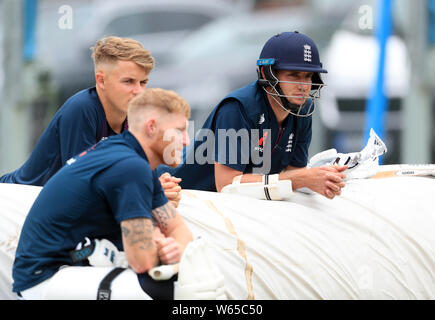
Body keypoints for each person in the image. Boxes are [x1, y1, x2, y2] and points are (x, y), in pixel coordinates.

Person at [12, 88, 197, 300]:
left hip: (72, 266)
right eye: (179, 131)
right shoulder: (129, 166)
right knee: (171, 289)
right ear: (152, 127)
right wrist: (161, 249)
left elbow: (178, 230)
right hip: (45, 279)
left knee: (189, 273)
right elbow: (143, 261)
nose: (186, 141)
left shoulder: (132, 159)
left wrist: (173, 249)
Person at [158, 31, 347, 200]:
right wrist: (303, 178)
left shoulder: (303, 109)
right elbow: (227, 185)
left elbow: (293, 175)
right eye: (293, 75)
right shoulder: (237, 108)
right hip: (178, 194)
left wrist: (325, 179)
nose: (303, 86)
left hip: (237, 207)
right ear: (267, 74)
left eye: (308, 76)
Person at [0, 36, 182, 206]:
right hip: (16, 198)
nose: (139, 91)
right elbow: (82, 185)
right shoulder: (82, 108)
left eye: (143, 82)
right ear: (101, 81)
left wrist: (165, 185)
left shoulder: (136, 117)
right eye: (128, 82)